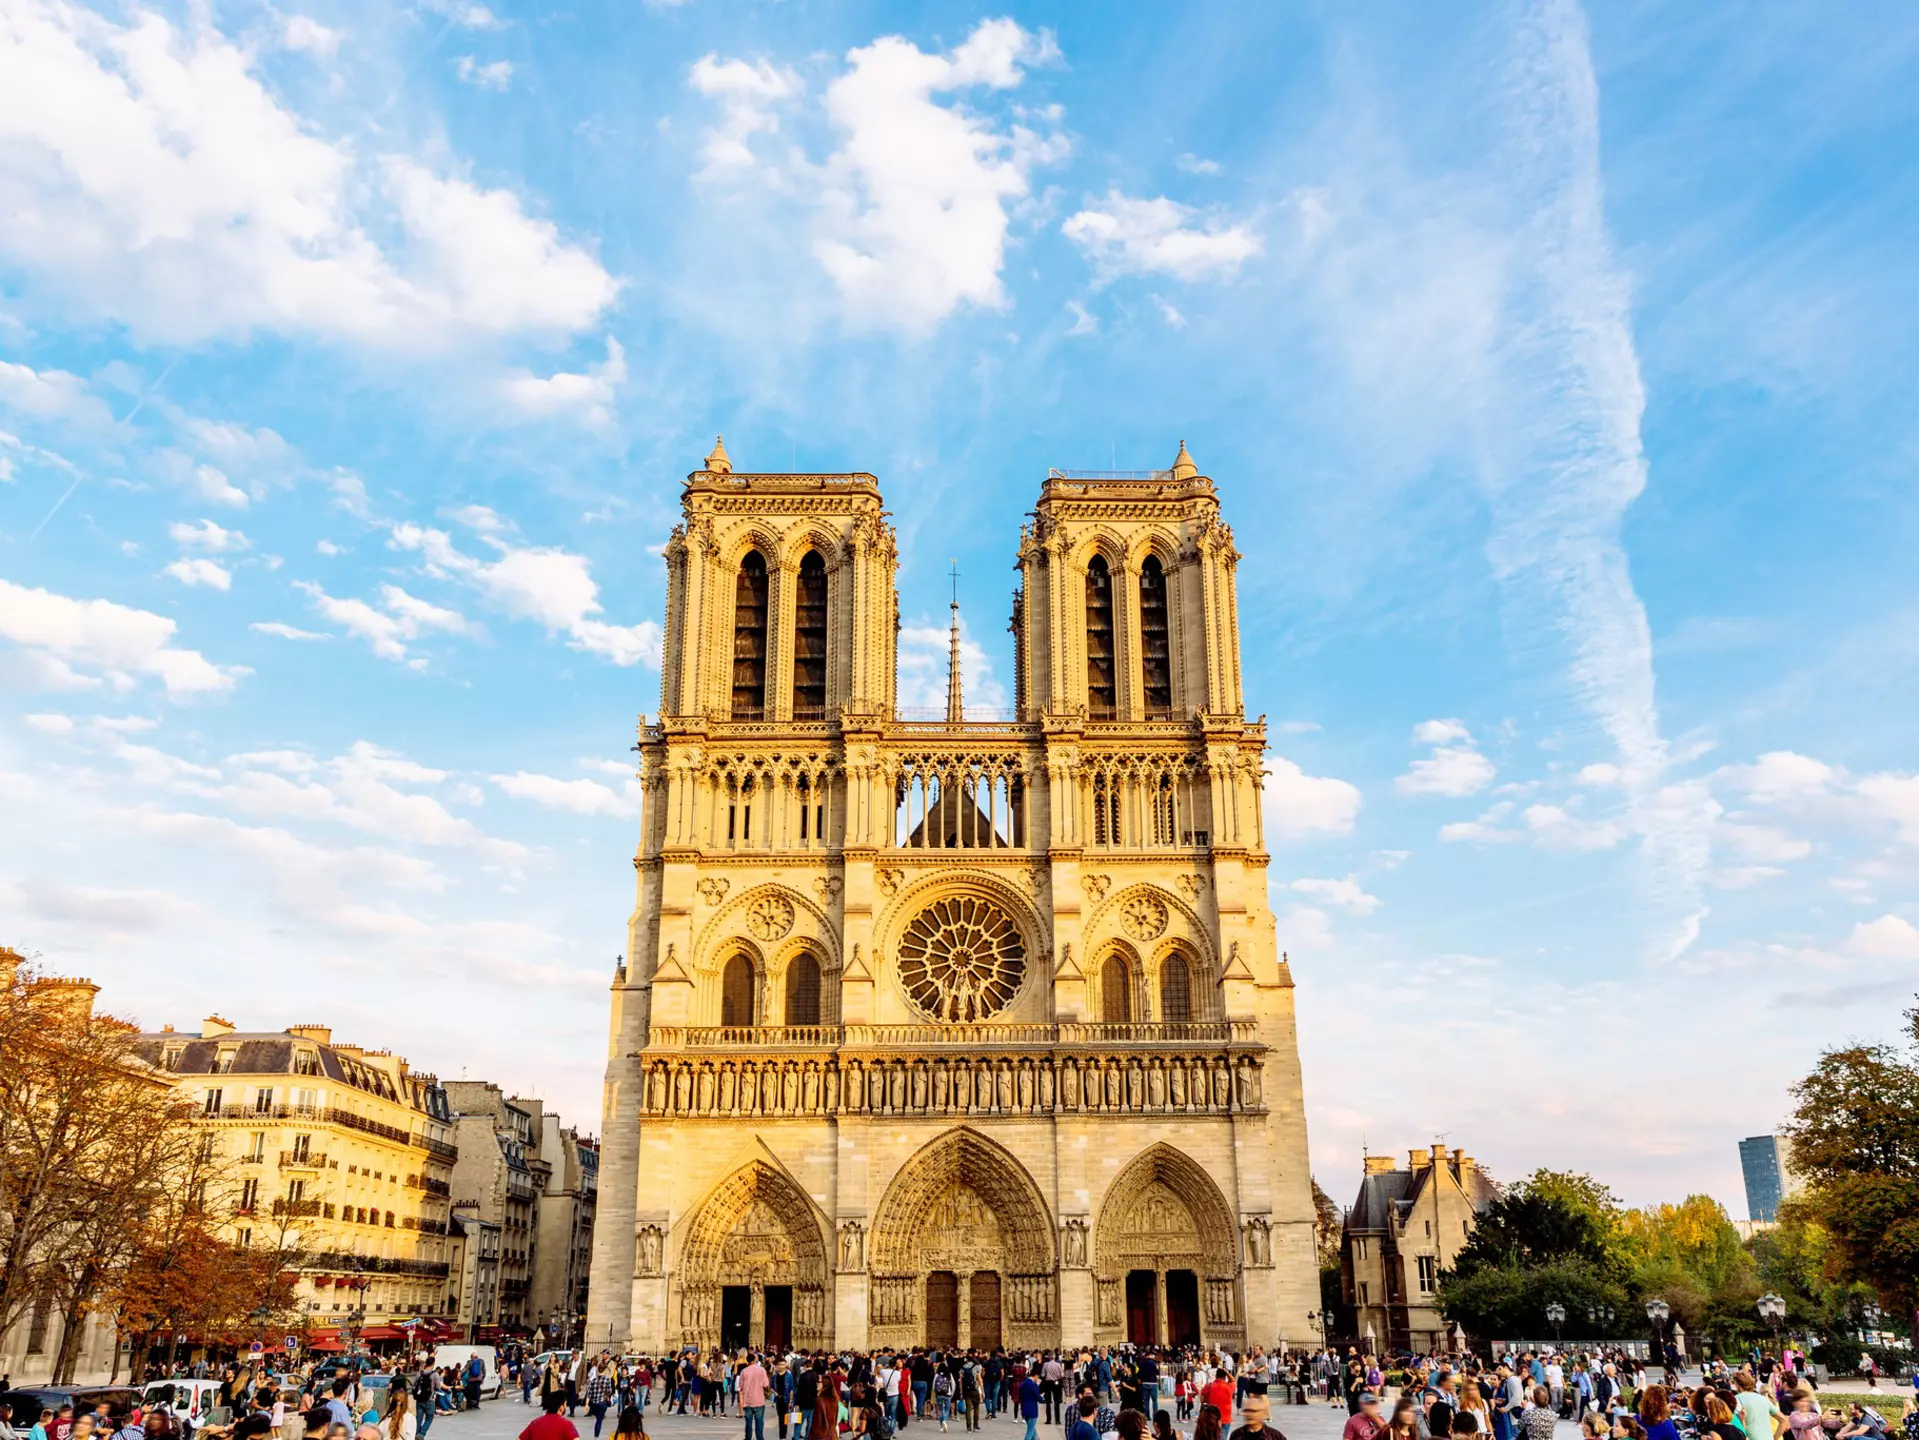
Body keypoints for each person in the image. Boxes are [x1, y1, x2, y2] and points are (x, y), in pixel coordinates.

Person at [739, 1355, 770, 1440]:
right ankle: (759, 1438)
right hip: (759, 1400)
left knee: (748, 1422)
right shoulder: (762, 1370)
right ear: (755, 1360)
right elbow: (766, 1384)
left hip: (748, 1400)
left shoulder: (744, 1371)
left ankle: (748, 1437)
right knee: (759, 1422)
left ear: (747, 1361)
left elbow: (740, 1387)